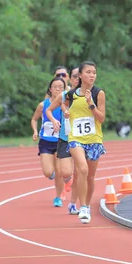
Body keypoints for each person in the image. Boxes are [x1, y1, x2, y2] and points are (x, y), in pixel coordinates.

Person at [50, 61, 106, 224]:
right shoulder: (71, 94)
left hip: (94, 139)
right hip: (75, 138)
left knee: (90, 176)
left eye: (94, 72)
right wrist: (66, 112)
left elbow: (101, 118)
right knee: (82, 168)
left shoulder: (98, 93)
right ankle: (82, 207)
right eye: (88, 72)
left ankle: (87, 206)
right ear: (80, 75)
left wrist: (91, 104)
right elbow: (62, 104)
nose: (92, 75)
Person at [47, 67, 81, 214]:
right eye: (74, 76)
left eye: (78, 76)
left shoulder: (91, 94)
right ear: (71, 79)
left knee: (82, 172)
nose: (76, 79)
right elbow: (49, 109)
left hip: (83, 139)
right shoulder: (64, 94)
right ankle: (70, 186)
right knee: (66, 173)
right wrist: (55, 120)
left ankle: (78, 205)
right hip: (65, 138)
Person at [30, 77, 65, 207]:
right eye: (55, 87)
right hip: (45, 141)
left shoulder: (65, 104)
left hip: (60, 141)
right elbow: (34, 119)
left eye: (61, 87)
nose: (57, 89)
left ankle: (58, 197)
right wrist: (35, 131)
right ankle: (54, 175)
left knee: (60, 172)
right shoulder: (43, 105)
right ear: (50, 89)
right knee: (48, 172)